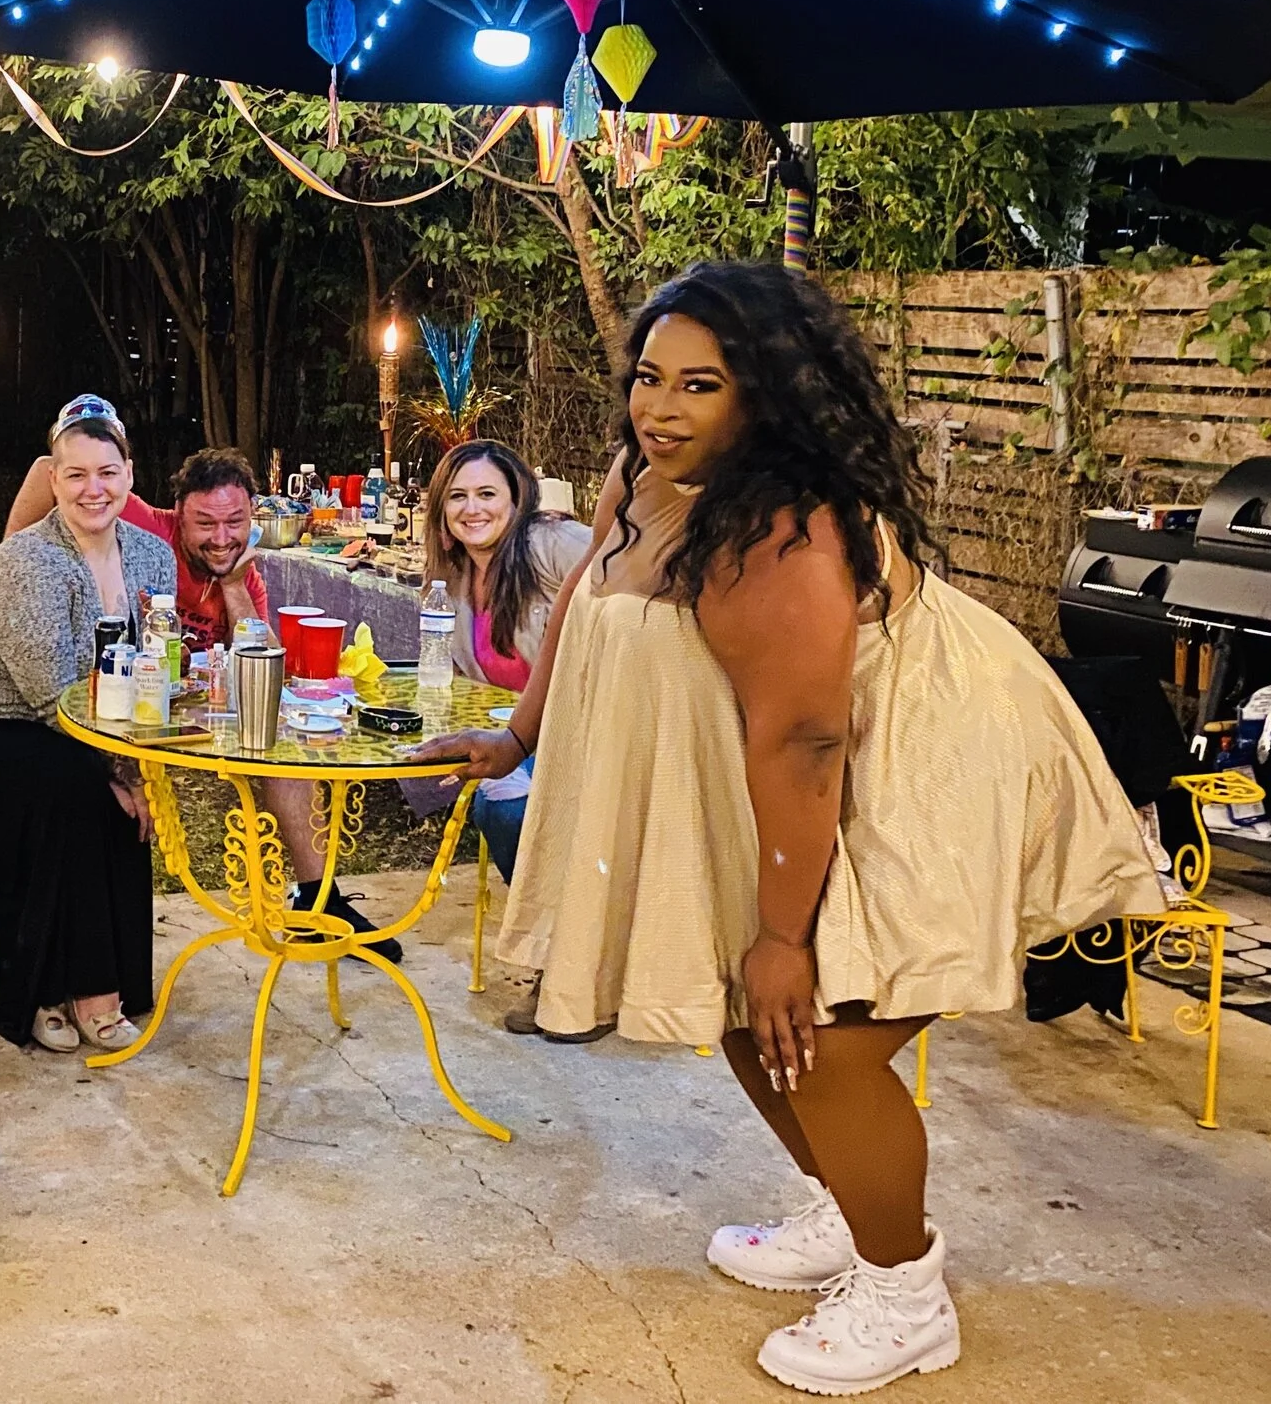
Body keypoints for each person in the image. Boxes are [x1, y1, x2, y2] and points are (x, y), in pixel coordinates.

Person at [419, 263, 1162, 1396]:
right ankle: (847, 1209)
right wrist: (518, 737)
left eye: (700, 386)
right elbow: (589, 598)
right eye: (649, 379)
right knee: (741, 1011)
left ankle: (906, 1288)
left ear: (762, 395)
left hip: (925, 762)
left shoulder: (780, 534)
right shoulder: (645, 470)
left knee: (823, 1028)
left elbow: (804, 741)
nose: (659, 410)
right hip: (822, 761)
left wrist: (785, 934)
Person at [6, 423, 395, 955]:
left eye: (234, 522)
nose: (220, 538)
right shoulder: (144, 525)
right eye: (204, 523)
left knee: (278, 741)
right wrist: (17, 558)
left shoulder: (244, 571)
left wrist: (233, 585)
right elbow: (42, 471)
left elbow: (258, 666)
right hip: (112, 699)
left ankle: (316, 896)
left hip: (192, 710)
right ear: (177, 515)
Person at [0, 396, 172, 1054]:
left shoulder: (152, 555)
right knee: (66, 788)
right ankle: (54, 989)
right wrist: (113, 771)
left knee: (83, 785)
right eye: (75, 474)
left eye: (106, 472)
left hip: (56, 729)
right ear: (53, 481)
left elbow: (156, 664)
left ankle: (97, 980)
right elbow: (48, 693)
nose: (93, 488)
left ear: (130, 475)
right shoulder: (30, 559)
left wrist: (131, 765)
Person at [413, 438, 592, 1030]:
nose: (473, 509)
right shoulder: (455, 581)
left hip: (585, 732)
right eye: (458, 497)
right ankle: (563, 953)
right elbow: (462, 680)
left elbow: (627, 573)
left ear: (518, 501)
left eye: (488, 494)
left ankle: (574, 970)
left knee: (510, 810)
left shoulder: (550, 545)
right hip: (517, 739)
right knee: (498, 797)